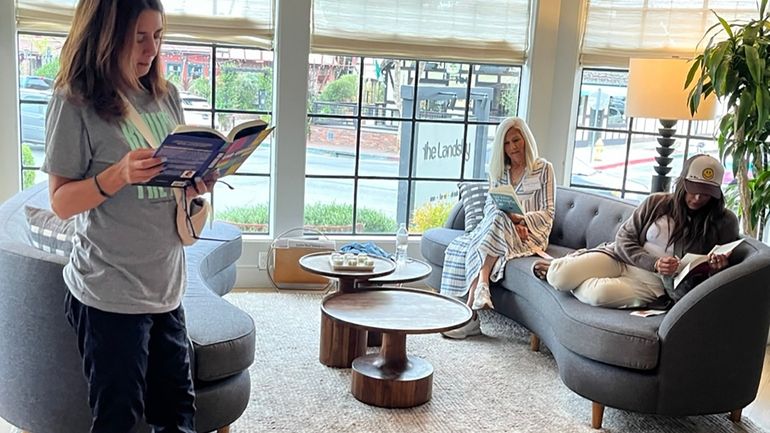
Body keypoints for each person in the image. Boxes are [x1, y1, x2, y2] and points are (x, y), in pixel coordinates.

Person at [42, 1, 212, 431]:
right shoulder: (73, 101)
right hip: (108, 294)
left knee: (178, 417)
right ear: (105, 35)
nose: (151, 49)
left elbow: (173, 185)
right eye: (139, 37)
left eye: (157, 36)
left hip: (166, 289)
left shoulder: (165, 96)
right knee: (118, 420)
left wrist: (196, 189)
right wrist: (117, 175)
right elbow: (61, 202)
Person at [533, 154, 739, 309]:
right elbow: (623, 239)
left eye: (705, 194)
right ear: (682, 183)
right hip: (619, 258)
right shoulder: (657, 203)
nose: (697, 198)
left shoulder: (725, 222)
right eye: (693, 190)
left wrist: (717, 268)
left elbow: (722, 272)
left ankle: (574, 268)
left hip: (654, 285)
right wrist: (655, 263)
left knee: (597, 295)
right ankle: (562, 267)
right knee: (560, 276)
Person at [441, 117, 555, 339]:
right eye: (506, 143)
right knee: (486, 224)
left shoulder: (543, 169)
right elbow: (491, 208)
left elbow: (549, 212)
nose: (512, 147)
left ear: (525, 140)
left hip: (531, 235)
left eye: (516, 140)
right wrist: (511, 220)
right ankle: (474, 298)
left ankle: (473, 310)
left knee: (496, 222)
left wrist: (522, 221)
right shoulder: (500, 172)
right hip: (501, 228)